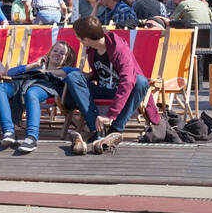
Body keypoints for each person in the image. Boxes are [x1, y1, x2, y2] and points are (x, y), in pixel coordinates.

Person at [63, 16, 161, 155]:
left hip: (122, 94)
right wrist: (85, 76)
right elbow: (102, 72)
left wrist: (111, 115)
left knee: (141, 81)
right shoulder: (92, 49)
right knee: (73, 76)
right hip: (103, 89)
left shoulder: (119, 49)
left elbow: (127, 81)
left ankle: (116, 129)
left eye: (78, 37)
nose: (78, 40)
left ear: (86, 39)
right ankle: (97, 130)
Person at [0, 40, 78, 153]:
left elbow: (78, 72)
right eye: (55, 50)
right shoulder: (37, 67)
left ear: (66, 59)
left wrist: (46, 72)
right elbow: (10, 73)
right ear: (49, 53)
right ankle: (8, 131)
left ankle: (31, 137)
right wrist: (35, 65)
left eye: (62, 53)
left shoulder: (66, 69)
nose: (57, 54)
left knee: (31, 93)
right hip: (22, 86)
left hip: (46, 87)